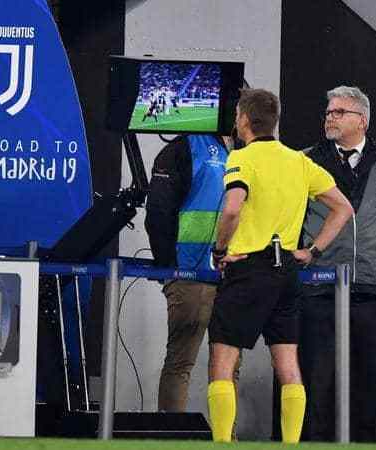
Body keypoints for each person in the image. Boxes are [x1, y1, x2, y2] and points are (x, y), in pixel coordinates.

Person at [205, 88, 353, 443]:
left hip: (248, 268)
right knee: (288, 365)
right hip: (286, 270)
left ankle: (222, 443)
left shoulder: (242, 158)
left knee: (222, 361)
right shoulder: (298, 161)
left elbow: (232, 208)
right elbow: (344, 208)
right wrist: (312, 250)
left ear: (243, 119)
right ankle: (290, 444)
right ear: (275, 121)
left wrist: (220, 249)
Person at [298, 86, 376, 442]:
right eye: (328, 112)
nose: (329, 118)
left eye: (339, 112)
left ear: (361, 120)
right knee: (317, 382)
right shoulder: (306, 160)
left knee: (375, 384)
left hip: (375, 289)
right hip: (320, 286)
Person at [144, 134, 239, 412]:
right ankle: (172, 434)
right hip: (190, 272)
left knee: (228, 368)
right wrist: (170, 266)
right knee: (180, 362)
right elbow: (158, 211)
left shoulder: (247, 148)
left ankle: (225, 436)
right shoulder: (184, 147)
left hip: (234, 276)